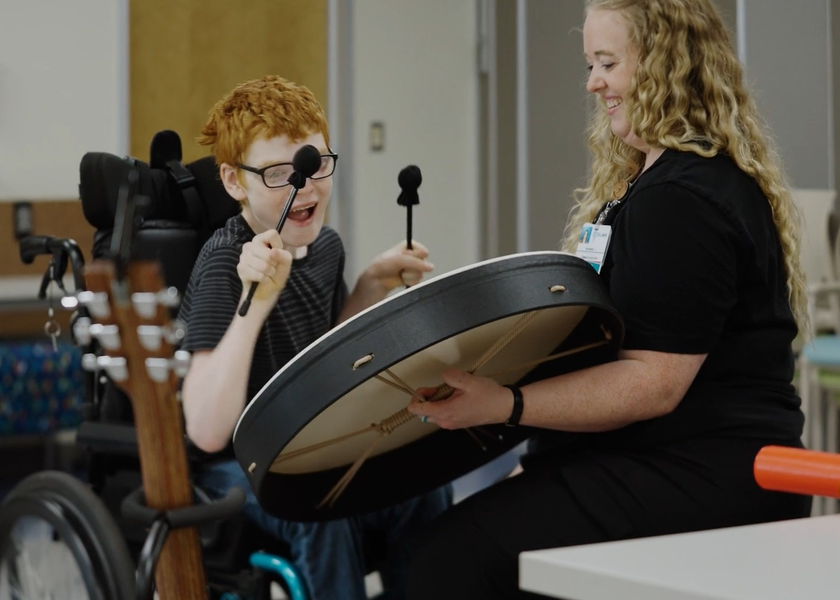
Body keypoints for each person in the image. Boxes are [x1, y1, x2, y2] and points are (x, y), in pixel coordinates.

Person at [405, 1, 812, 598]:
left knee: (444, 563)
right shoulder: (659, 183)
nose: (593, 82)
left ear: (663, 64)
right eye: (590, 63)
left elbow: (652, 382)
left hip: (705, 470)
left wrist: (505, 404)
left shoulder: (684, 199)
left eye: (607, 62)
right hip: (670, 459)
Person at [177, 75, 451, 600]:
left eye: (316, 164)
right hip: (231, 467)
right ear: (235, 182)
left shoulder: (325, 247)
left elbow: (322, 358)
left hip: (305, 447)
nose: (305, 187)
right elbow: (207, 432)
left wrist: (371, 284)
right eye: (281, 174)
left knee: (423, 486)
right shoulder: (222, 263)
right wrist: (255, 304)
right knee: (319, 511)